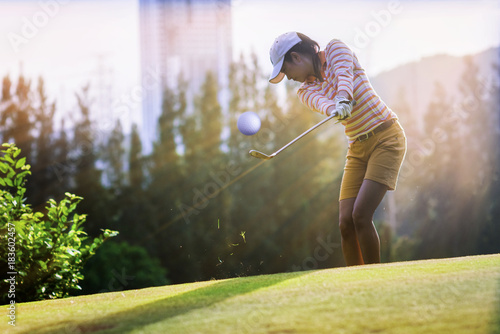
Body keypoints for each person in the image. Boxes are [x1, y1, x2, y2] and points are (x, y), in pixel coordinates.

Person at [268, 32, 407, 266]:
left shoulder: (335, 49)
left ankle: (376, 279)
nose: (287, 78)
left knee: (360, 215)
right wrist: (336, 106)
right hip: (357, 148)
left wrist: (344, 97)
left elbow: (344, 77)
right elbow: (323, 103)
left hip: (386, 138)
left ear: (295, 56)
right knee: (345, 222)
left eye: (286, 70)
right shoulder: (304, 91)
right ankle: (355, 283)